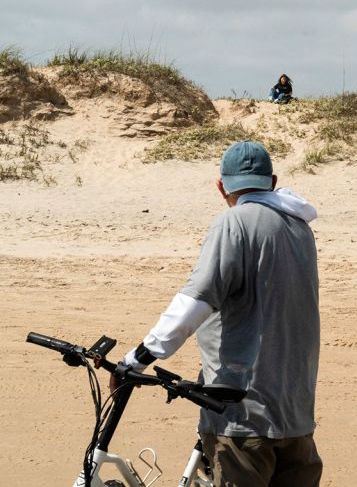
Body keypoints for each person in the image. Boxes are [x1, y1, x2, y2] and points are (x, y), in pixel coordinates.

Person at [114, 141, 322, 485]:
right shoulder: (300, 228)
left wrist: (138, 358)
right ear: (272, 181)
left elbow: (196, 299)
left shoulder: (234, 223)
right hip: (296, 414)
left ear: (221, 185)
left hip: (244, 415)